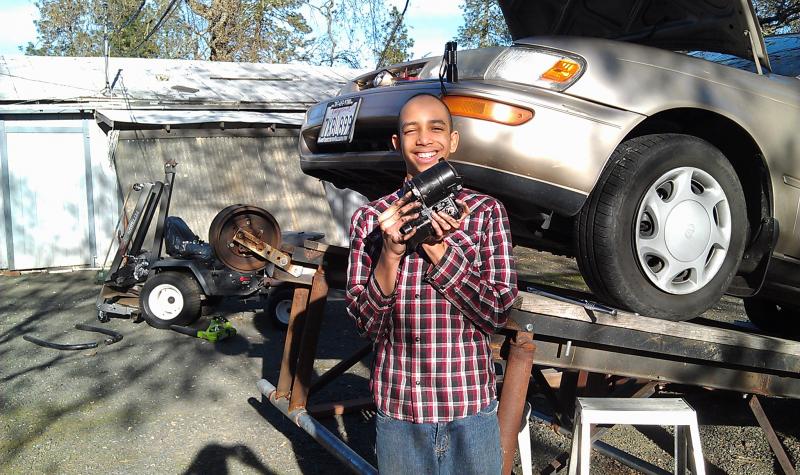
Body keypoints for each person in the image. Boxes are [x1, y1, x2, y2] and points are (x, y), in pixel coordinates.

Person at [345, 93, 518, 474]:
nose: (424, 139)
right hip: (401, 412)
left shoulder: (486, 213)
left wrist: (439, 250)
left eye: (436, 128)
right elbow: (366, 325)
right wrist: (390, 253)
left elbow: (497, 313)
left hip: (470, 409)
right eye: (411, 130)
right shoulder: (371, 219)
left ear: (453, 140)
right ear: (397, 144)